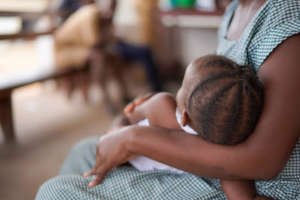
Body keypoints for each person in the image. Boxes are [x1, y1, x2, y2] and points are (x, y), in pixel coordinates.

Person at [35, 0, 300, 199]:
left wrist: (132, 139)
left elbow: (262, 162)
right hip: (217, 166)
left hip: (257, 181)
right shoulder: (233, 11)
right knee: (84, 152)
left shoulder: (287, 14)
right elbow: (133, 115)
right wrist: (122, 128)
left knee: (56, 192)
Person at [88, 54, 267, 200]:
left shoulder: (163, 106)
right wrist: (117, 130)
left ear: (185, 116)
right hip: (118, 156)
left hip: (137, 173)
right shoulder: (227, 160)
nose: (176, 93)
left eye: (181, 87)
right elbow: (127, 117)